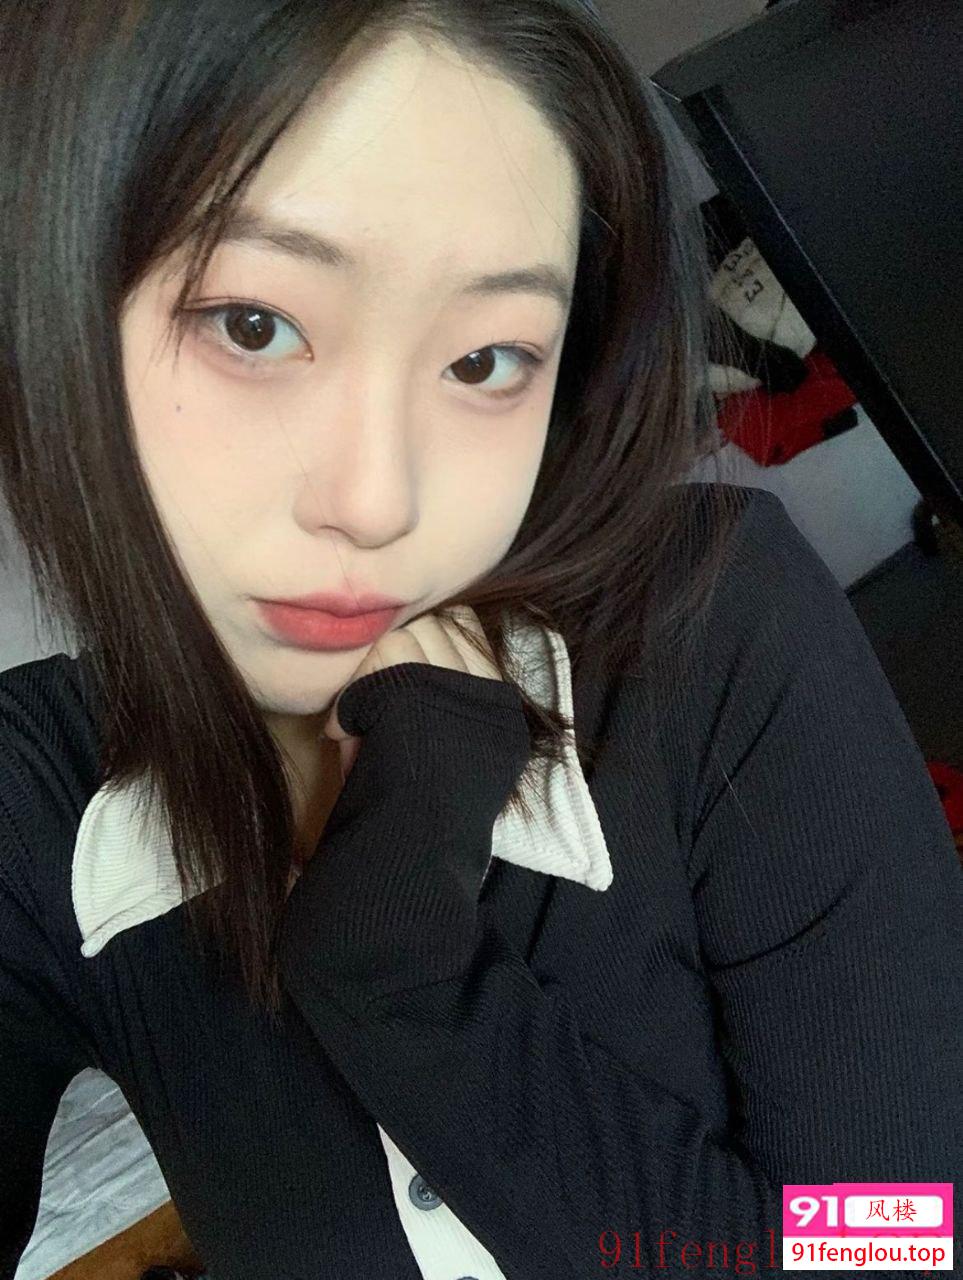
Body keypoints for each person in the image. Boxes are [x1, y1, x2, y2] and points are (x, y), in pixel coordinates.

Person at [1, 1, 960, 1277]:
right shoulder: (35, 795)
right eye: (254, 324)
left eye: (487, 359)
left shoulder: (717, 618)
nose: (378, 501)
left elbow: (888, 1252)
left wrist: (404, 971)